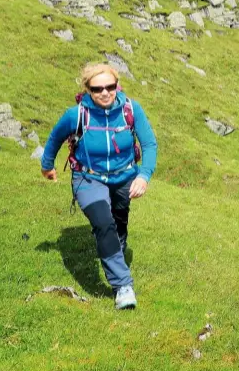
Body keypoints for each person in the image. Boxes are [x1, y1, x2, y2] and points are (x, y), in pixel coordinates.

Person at [40, 62, 158, 310]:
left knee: (118, 223)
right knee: (104, 223)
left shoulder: (131, 110)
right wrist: (47, 165)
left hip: (125, 177)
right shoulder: (76, 115)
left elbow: (149, 145)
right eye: (97, 89)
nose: (104, 93)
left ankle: (114, 249)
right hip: (88, 178)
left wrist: (143, 176)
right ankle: (122, 286)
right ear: (88, 90)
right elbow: (55, 138)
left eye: (110, 86)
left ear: (117, 85)